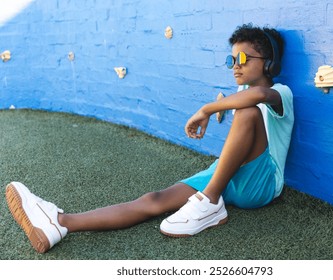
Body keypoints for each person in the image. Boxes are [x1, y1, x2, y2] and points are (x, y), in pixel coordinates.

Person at [5, 23, 294, 253]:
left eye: (243, 58)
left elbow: (258, 97)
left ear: (268, 64)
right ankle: (60, 223)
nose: (235, 65)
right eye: (231, 59)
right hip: (227, 177)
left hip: (262, 184)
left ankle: (209, 202)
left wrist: (206, 109)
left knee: (247, 111)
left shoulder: (281, 94)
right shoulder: (243, 96)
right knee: (154, 199)